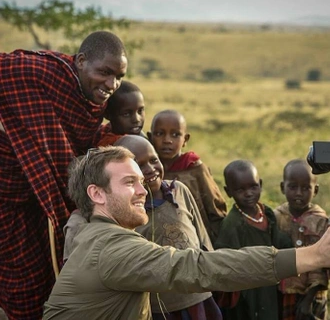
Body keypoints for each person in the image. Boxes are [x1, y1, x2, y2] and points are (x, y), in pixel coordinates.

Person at [43, 145, 330, 320]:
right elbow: (196, 266)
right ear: (97, 194)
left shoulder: (96, 234)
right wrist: (312, 256)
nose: (144, 191)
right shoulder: (112, 248)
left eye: (143, 181)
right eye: (130, 182)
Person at [0, 30, 128, 320]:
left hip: (43, 196)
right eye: (105, 72)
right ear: (81, 61)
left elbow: (78, 145)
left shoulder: (96, 98)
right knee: (23, 284)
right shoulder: (38, 72)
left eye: (118, 76)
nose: (111, 84)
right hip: (9, 193)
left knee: (51, 278)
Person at [114, 135, 221, 319]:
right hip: (160, 306)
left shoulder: (179, 190)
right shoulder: (127, 212)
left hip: (198, 295)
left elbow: (202, 238)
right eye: (139, 166)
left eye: (154, 160)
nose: (150, 169)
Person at [214, 159, 292, 320]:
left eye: (253, 186)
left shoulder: (267, 213)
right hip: (247, 291)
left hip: (269, 283)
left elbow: (280, 241)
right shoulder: (232, 225)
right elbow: (225, 261)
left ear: (260, 184)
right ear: (228, 191)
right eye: (240, 189)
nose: (249, 193)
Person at [148, 109, 227, 244]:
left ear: (185, 139)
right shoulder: (148, 171)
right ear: (150, 137)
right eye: (160, 134)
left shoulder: (196, 170)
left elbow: (216, 210)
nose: (167, 140)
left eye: (175, 135)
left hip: (196, 240)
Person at [274, 159, 329, 320]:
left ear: (316, 190)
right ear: (282, 187)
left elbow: (321, 263)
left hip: (312, 296)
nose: (299, 193)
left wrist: (308, 300)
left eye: (306, 188)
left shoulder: (320, 221)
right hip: (283, 292)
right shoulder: (276, 217)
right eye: (293, 187)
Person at [98, 80, 147, 146]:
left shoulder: (107, 130)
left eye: (140, 111)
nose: (136, 119)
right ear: (107, 115)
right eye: (126, 114)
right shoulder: (116, 144)